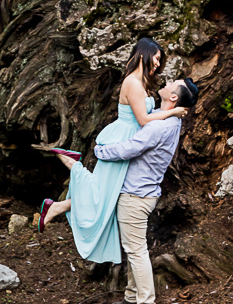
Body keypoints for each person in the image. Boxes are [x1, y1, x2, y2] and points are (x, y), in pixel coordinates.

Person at [34, 37, 185, 266]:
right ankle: (73, 164)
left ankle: (57, 205)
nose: (157, 64)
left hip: (132, 140)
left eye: (159, 61)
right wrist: (171, 113)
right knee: (100, 193)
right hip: (122, 140)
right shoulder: (132, 83)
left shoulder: (143, 82)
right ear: (143, 54)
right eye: (155, 59)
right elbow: (144, 120)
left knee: (107, 195)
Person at [97, 75, 198, 304]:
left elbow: (128, 149)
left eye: (171, 84)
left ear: (174, 97)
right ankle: (132, 296)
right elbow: (148, 110)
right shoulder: (171, 119)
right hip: (144, 193)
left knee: (136, 250)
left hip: (135, 195)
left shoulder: (159, 126)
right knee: (134, 246)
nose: (166, 82)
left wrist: (100, 151)